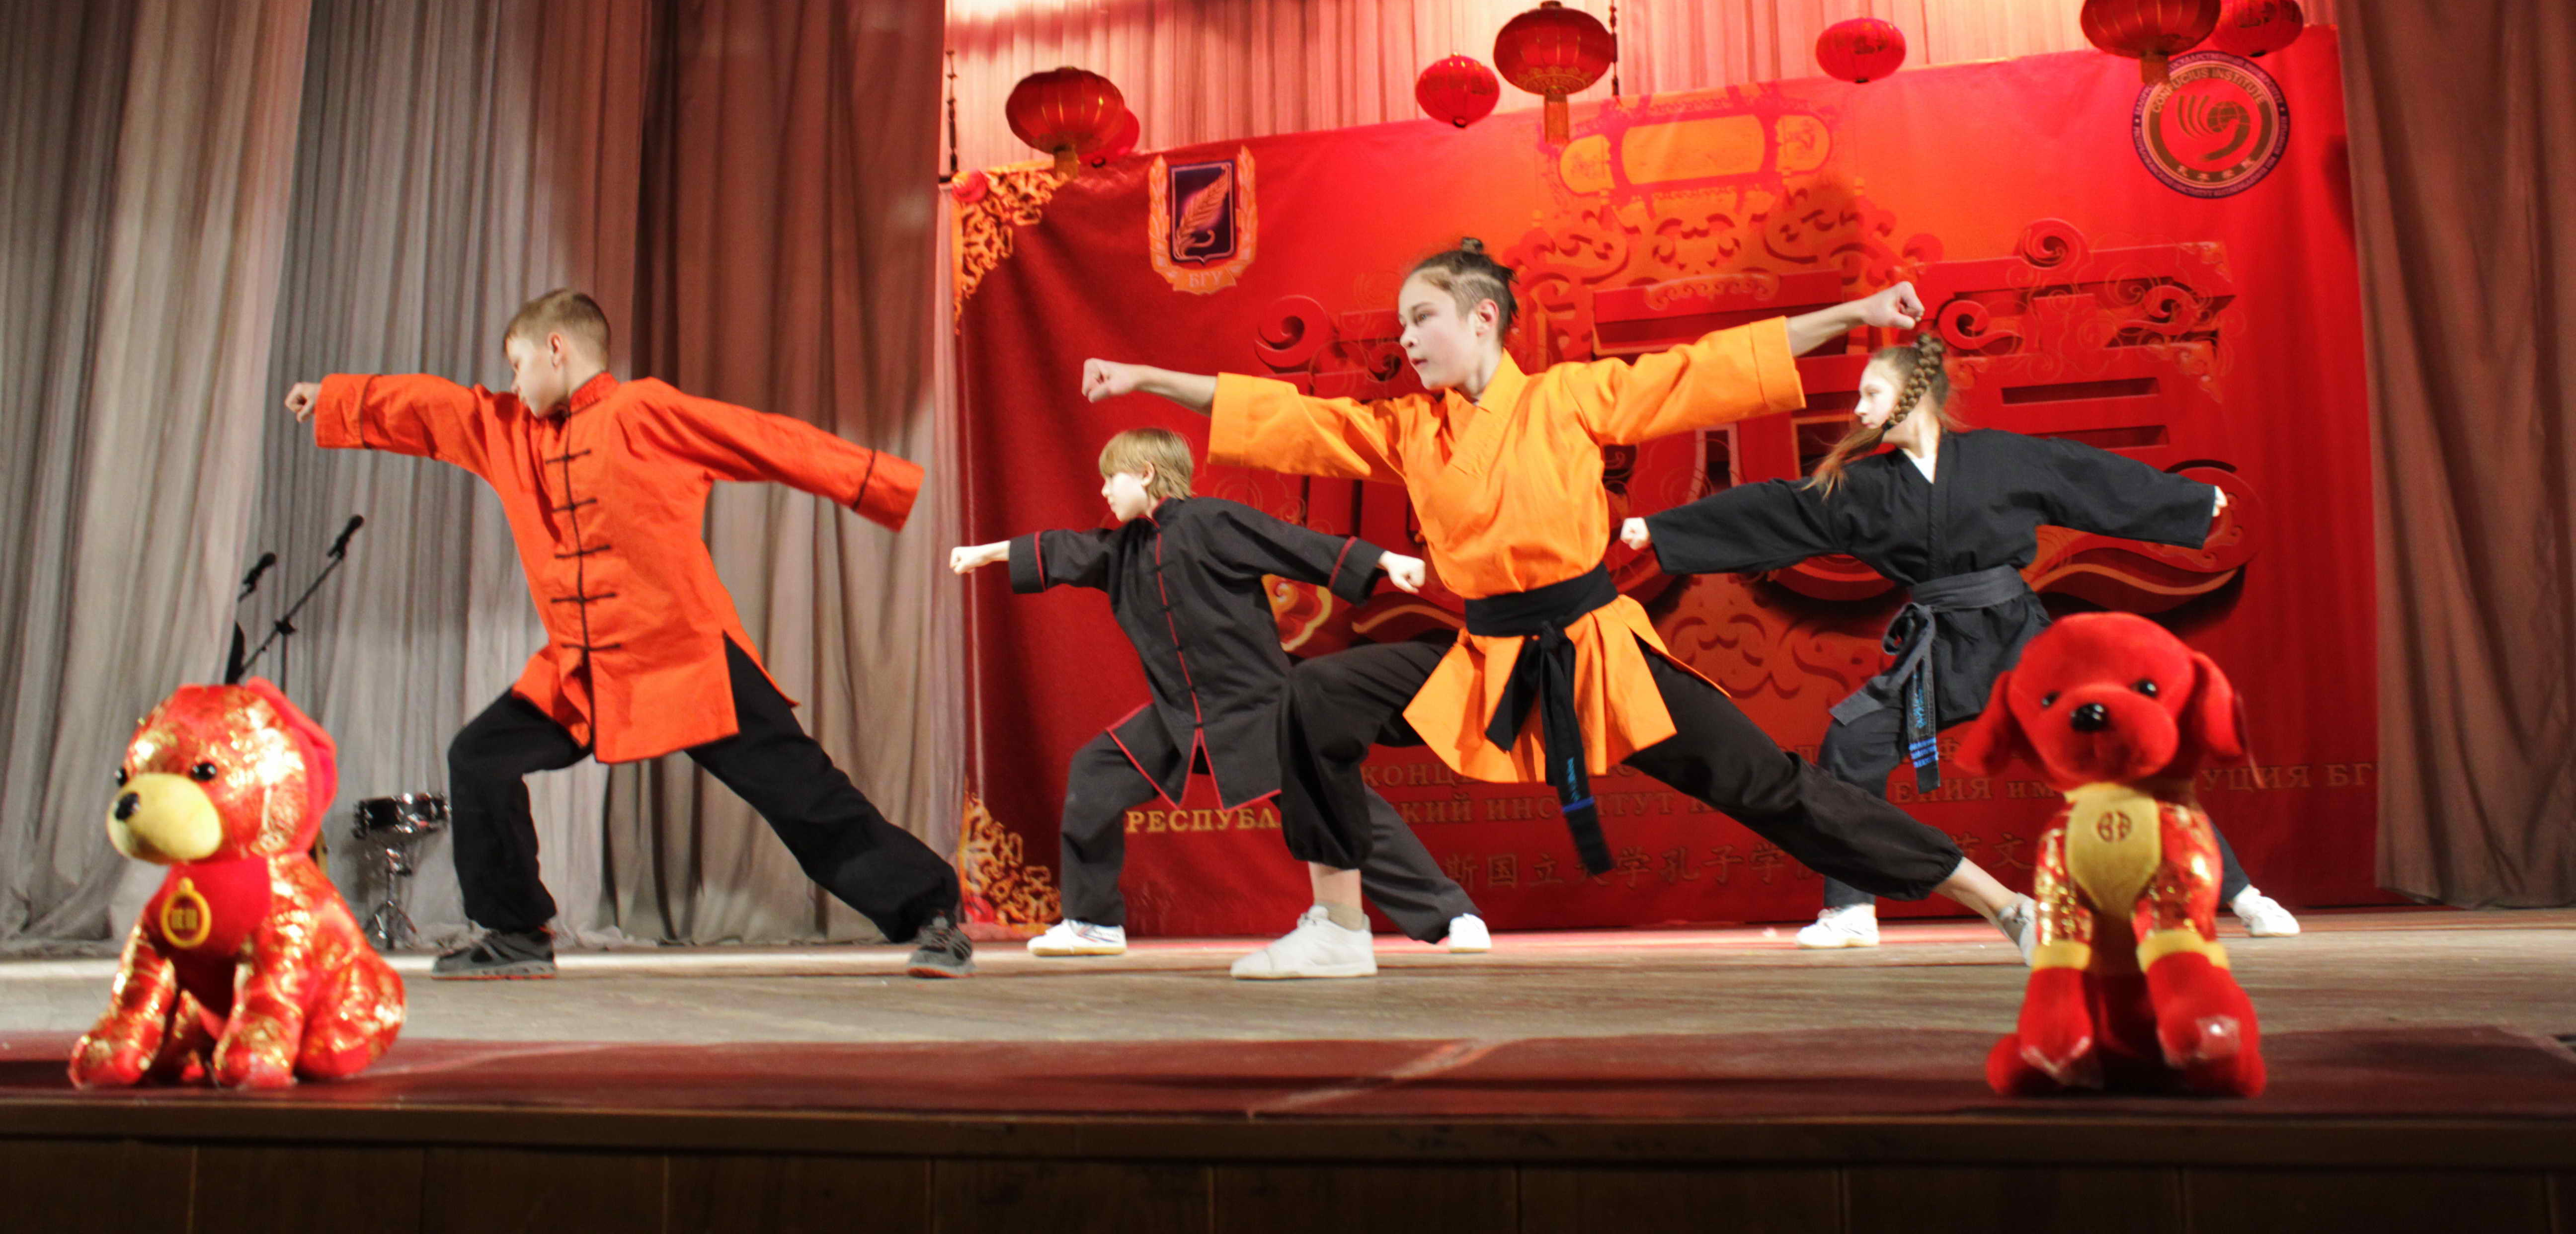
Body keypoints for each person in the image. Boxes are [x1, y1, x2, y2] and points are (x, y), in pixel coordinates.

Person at [1081, 240, 2037, 979]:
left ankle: (2001, 904)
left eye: (1422, 318)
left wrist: (1854, 314)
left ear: (1482, 318)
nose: (1405, 338)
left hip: (1591, 652)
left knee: (1775, 792)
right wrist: (1147, 379)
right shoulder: (1408, 429)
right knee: (1313, 698)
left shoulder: (1571, 398)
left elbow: (1707, 369)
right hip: (1486, 658)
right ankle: (1336, 925)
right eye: (1401, 324)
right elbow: (1285, 420)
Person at [283, 288, 973, 979]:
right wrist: (337, 398)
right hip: (584, 672)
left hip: (687, 656)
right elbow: (436, 408)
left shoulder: (642, 411)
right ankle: (517, 932)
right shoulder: (511, 433)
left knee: (804, 797)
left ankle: (934, 913)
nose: (513, 385)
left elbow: (761, 439)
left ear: (557, 349)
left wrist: (878, 482)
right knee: (479, 758)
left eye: (518, 365)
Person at [1624, 332, 2301, 947]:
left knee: (2116, 753)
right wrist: (1663, 530)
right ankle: (1851, 909)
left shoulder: (2001, 459)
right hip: (1935, 650)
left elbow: (2086, 477)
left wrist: (2187, 503)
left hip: (2017, 637)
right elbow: (1776, 508)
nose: (1859, 409)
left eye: (1871, 393)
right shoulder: (1863, 487)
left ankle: (2242, 896)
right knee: (1854, 742)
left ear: (1914, 394)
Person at [951, 426, 1487, 971]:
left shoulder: (1212, 521)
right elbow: (1063, 548)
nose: (1105, 490)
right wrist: (986, 553)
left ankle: (1453, 915)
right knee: (1098, 771)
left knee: (1341, 812)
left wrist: (1383, 560)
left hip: (1260, 711)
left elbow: (1289, 543)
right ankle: (1093, 924)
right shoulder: (1122, 550)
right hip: (1182, 719)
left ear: (1146, 473)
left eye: (1112, 477)